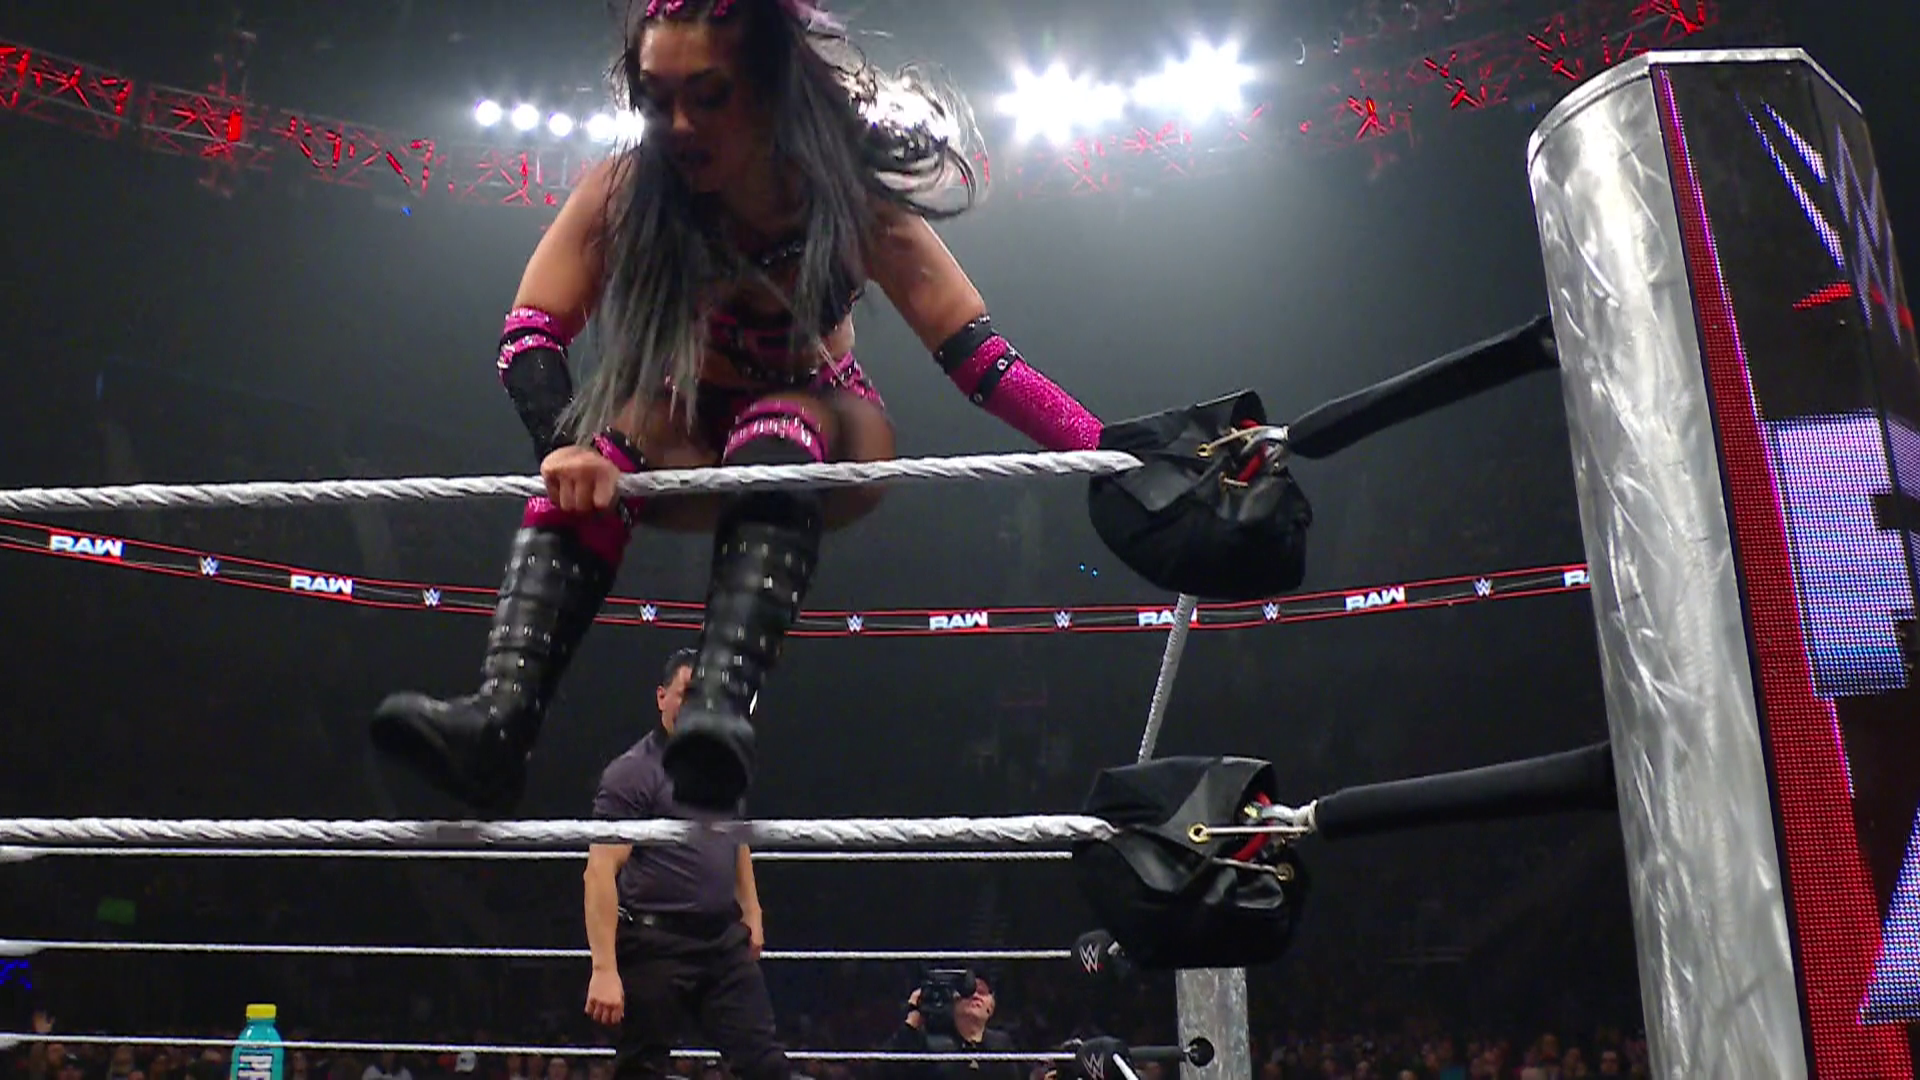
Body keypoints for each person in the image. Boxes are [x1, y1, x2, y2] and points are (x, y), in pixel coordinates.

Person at [370, 0, 1106, 813]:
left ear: (767, 89)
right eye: (657, 99)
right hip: (683, 423)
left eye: (708, 95)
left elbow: (979, 357)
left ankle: (718, 711)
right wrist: (561, 443)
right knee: (602, 447)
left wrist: (1102, 444)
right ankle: (501, 721)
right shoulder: (628, 189)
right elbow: (530, 332)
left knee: (777, 422)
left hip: (820, 425)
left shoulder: (846, 199)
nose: (679, 125)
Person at [582, 647, 782, 1080]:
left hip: (721, 941)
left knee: (764, 1065)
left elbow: (735, 836)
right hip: (654, 943)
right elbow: (599, 870)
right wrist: (604, 968)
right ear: (662, 697)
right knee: (641, 1070)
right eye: (686, 692)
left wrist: (752, 909)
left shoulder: (722, 766)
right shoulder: (633, 772)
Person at [884, 973, 1020, 1080]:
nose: (975, 996)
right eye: (968, 992)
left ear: (991, 1006)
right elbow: (883, 1071)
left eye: (982, 992)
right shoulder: (929, 1044)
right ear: (952, 999)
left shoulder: (1001, 1045)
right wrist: (913, 1018)